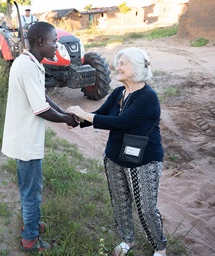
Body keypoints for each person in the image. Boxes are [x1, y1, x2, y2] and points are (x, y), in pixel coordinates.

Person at [67, 47, 167, 256]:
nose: (117, 67)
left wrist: (83, 113)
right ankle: (127, 240)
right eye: (118, 63)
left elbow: (122, 122)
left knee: (146, 208)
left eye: (122, 63)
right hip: (114, 156)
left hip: (144, 160)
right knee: (120, 202)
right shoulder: (118, 92)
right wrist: (77, 121)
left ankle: (160, 246)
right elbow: (101, 115)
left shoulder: (147, 97)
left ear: (137, 67)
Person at [1, 22, 78, 252]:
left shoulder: (30, 63)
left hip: (24, 138)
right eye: (54, 40)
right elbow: (41, 109)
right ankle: (30, 238)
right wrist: (67, 120)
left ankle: (31, 223)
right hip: (26, 142)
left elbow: (42, 97)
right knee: (32, 191)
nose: (57, 44)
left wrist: (65, 113)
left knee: (30, 187)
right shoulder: (26, 66)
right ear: (41, 42)